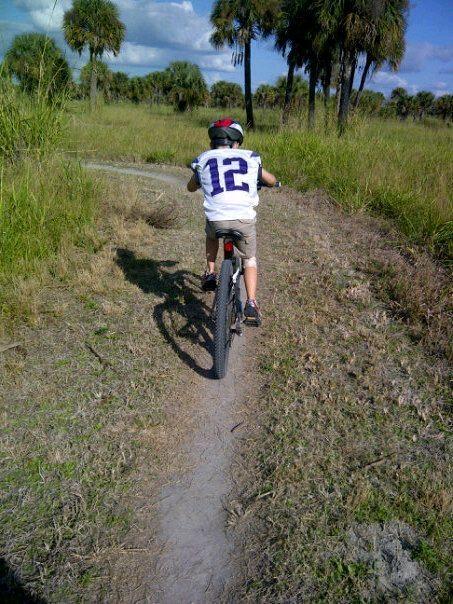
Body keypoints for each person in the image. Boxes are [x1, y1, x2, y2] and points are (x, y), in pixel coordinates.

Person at [187, 118, 276, 325]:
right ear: (237, 142)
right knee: (249, 258)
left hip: (216, 220)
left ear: (212, 142)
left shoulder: (204, 159)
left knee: (211, 234)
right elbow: (270, 180)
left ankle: (210, 272)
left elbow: (191, 187)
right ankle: (251, 302)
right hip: (243, 220)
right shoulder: (250, 157)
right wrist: (272, 183)